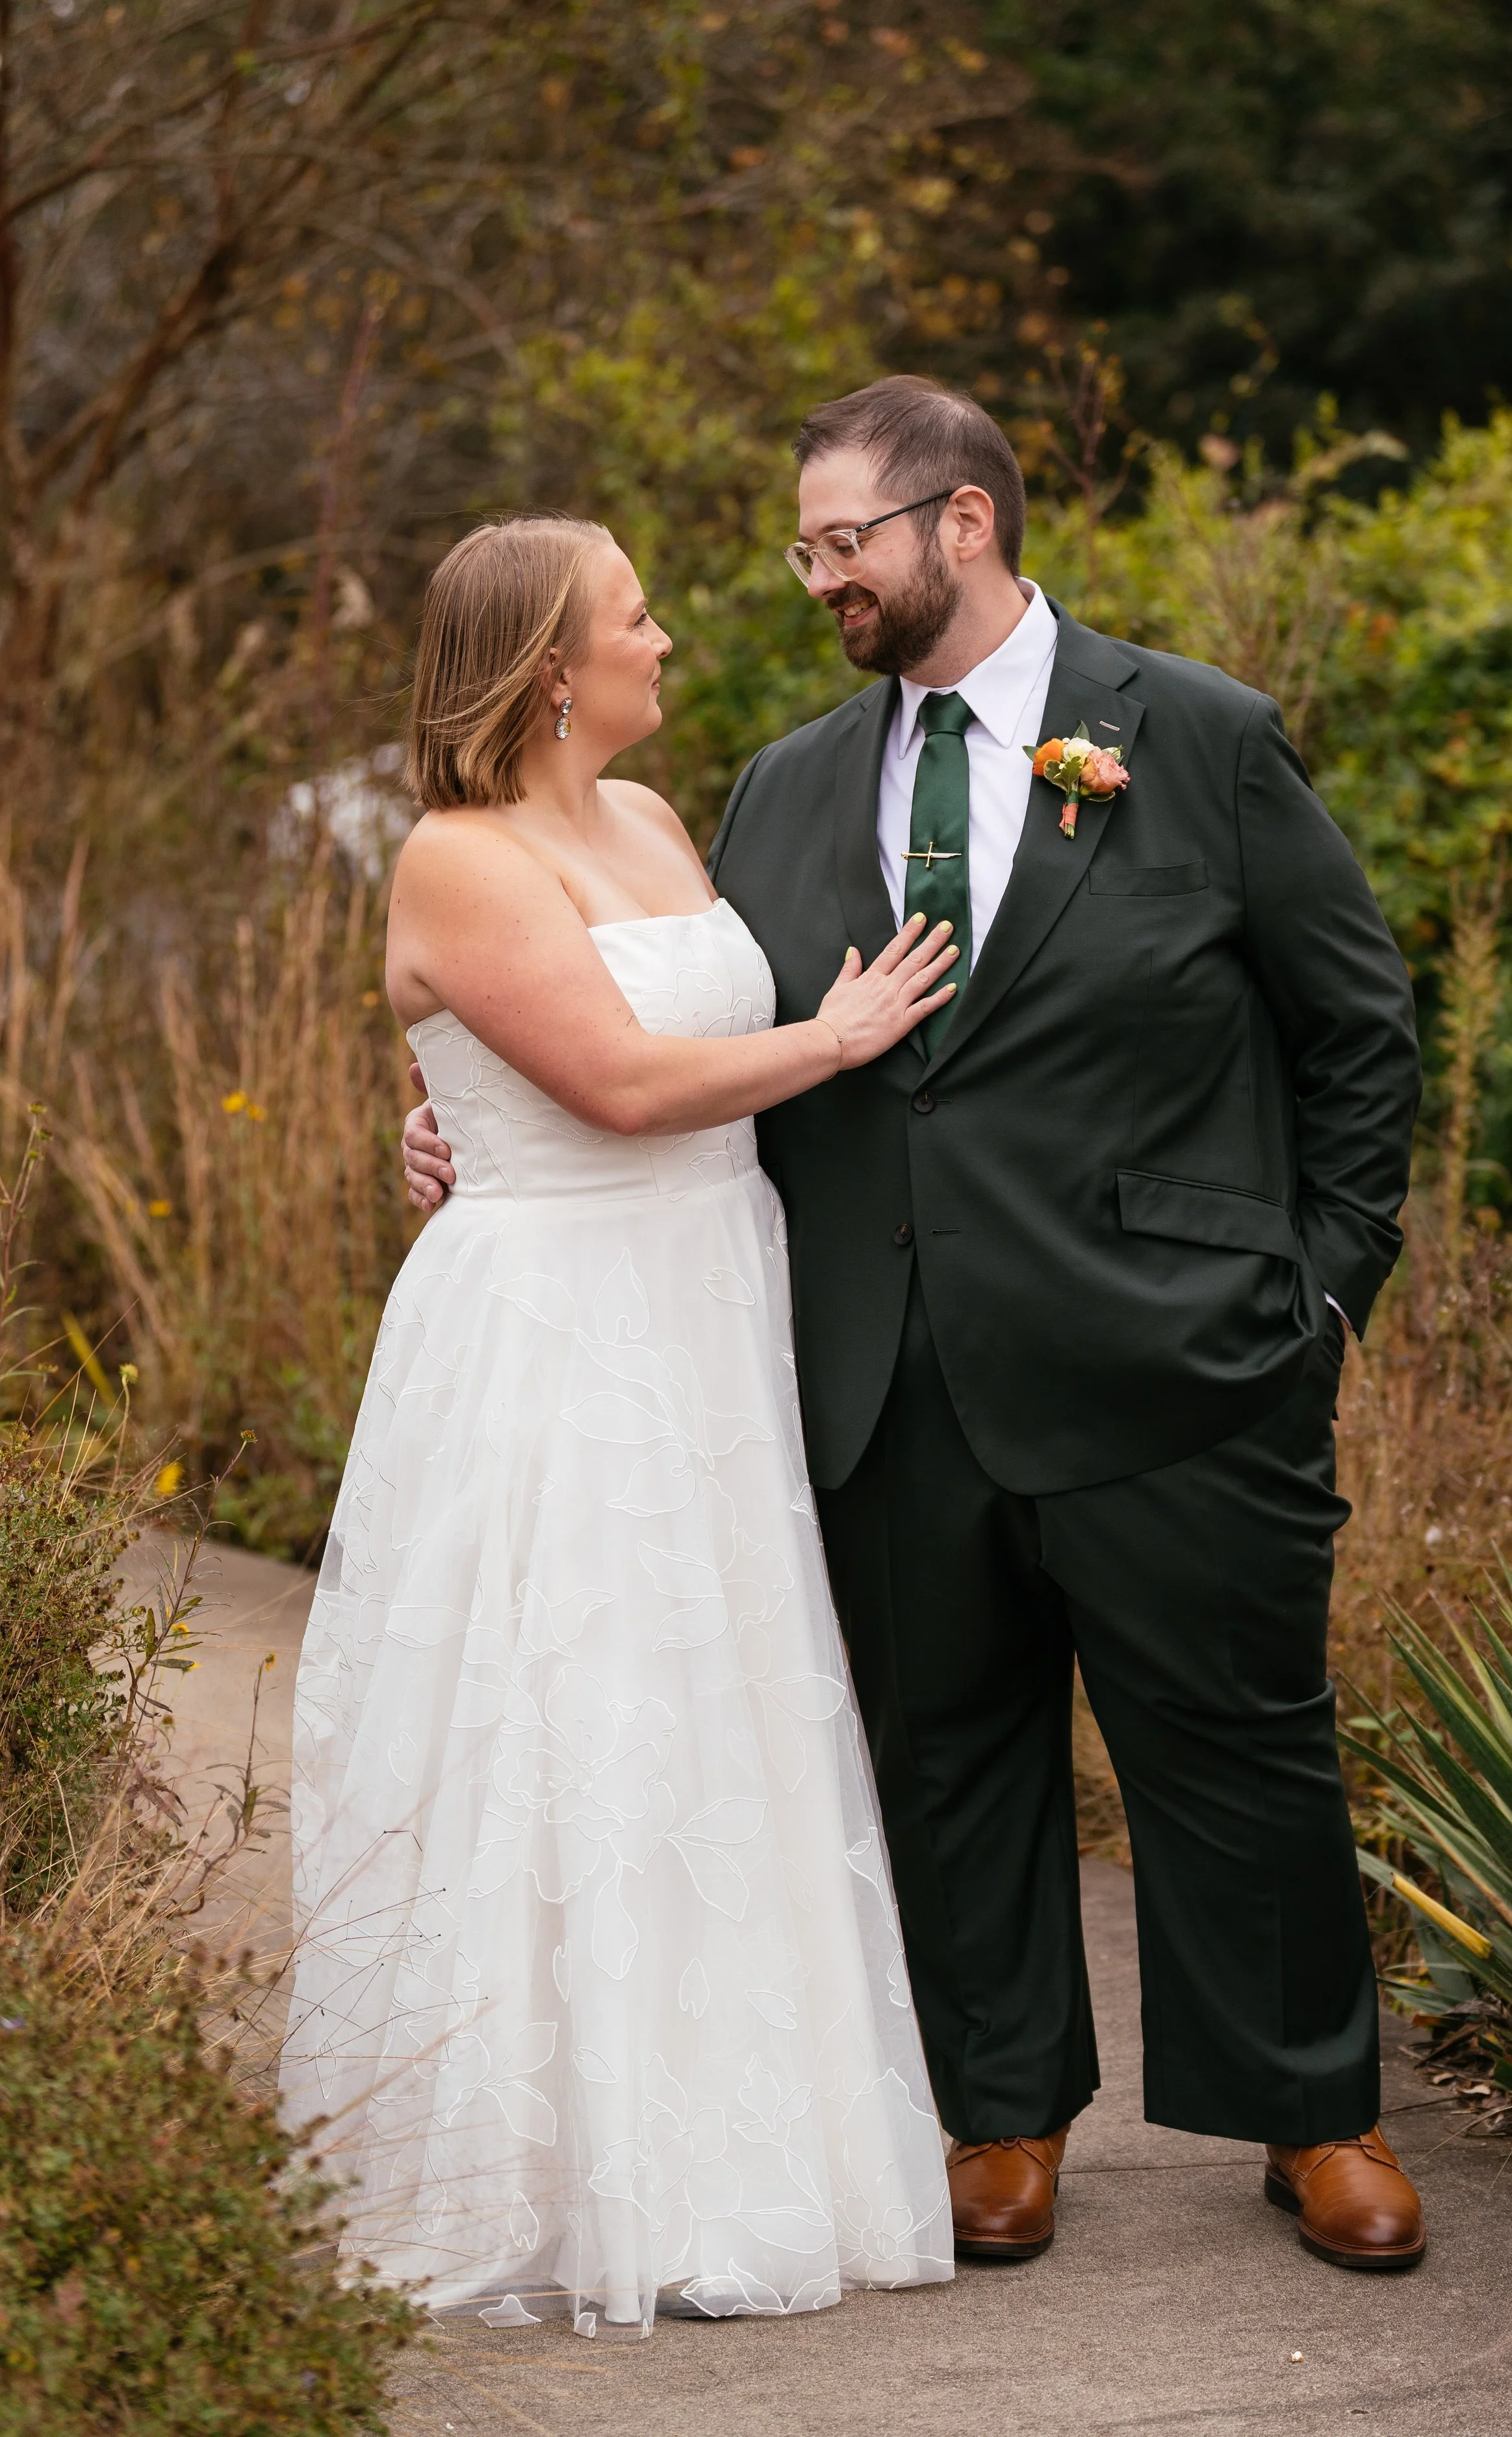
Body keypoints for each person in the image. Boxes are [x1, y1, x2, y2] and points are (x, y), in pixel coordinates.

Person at [407, 378, 1429, 2281]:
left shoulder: (1192, 736)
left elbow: (1355, 1030)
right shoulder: (784, 783)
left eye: (841, 541)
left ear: (958, 523)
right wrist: (479, 1110)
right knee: (947, 1756)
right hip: (880, 1365)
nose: (816, 578)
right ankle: (1002, 2113)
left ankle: (1315, 2113)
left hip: (1175, 1360)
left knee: (1237, 1745)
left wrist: (1316, 1296)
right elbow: (690, 1039)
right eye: (805, 546)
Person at [280, 514, 959, 2335]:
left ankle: (736, 2144)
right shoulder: (460, 855)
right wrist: (842, 1032)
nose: (665, 638)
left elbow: (546, 1062)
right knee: (566, 1709)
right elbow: (618, 1076)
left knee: (707, 1711)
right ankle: (558, 2168)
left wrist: (444, 1114)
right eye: (634, 616)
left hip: (702, 1301)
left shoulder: (654, 827)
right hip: (560, 1332)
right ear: (553, 666)